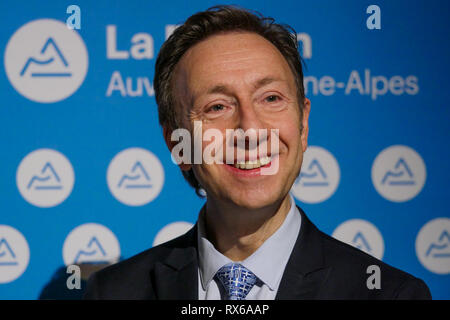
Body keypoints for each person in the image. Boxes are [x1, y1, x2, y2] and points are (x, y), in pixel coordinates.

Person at [84, 5, 431, 300]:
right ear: (178, 143)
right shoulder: (114, 292)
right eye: (217, 106)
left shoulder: (388, 294)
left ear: (304, 124)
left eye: (271, 99)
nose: (250, 129)